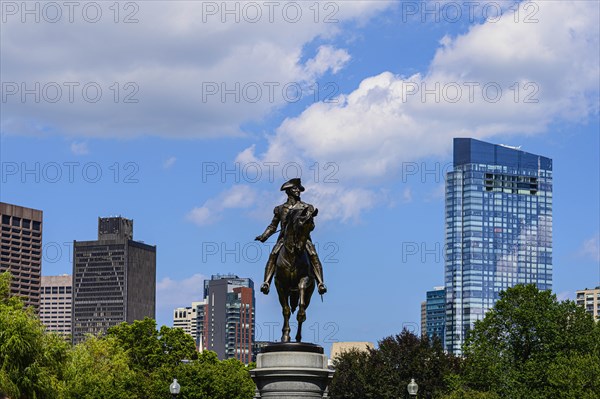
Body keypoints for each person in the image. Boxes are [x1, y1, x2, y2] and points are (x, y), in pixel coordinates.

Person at [255, 178, 327, 295]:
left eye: (299, 189)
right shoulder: (280, 209)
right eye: (295, 188)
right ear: (288, 191)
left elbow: (312, 226)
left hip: (303, 239)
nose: (298, 191)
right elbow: (273, 226)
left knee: (313, 254)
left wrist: (307, 225)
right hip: (284, 240)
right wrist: (264, 236)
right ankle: (266, 282)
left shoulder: (307, 207)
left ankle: (320, 283)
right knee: (273, 255)